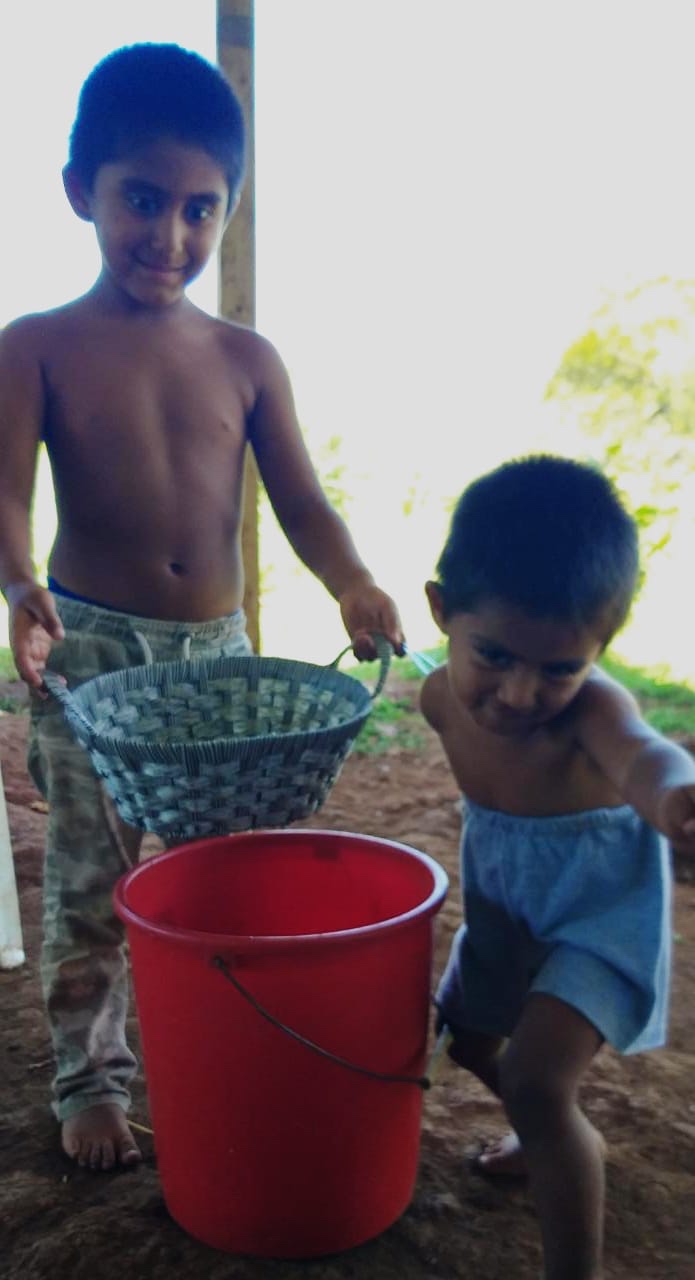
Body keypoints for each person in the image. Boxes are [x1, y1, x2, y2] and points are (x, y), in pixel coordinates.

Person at [0, 43, 404, 1173]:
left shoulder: (247, 359)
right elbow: (6, 492)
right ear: (80, 189)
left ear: (228, 207)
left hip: (221, 661)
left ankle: (223, 1036)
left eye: (199, 209)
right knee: (90, 873)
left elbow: (303, 503)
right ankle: (90, 1075)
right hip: (90, 650)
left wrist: (351, 580)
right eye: (141, 200)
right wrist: (20, 585)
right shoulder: (35, 347)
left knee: (228, 867)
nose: (169, 235)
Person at [420, 455, 695, 1280]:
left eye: (558, 668)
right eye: (493, 655)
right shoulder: (438, 700)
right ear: (441, 611)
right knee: (467, 1041)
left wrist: (676, 798)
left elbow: (643, 755)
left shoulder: (594, 712)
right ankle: (549, 1138)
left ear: (599, 651)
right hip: (504, 915)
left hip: (597, 922)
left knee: (537, 1081)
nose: (518, 694)